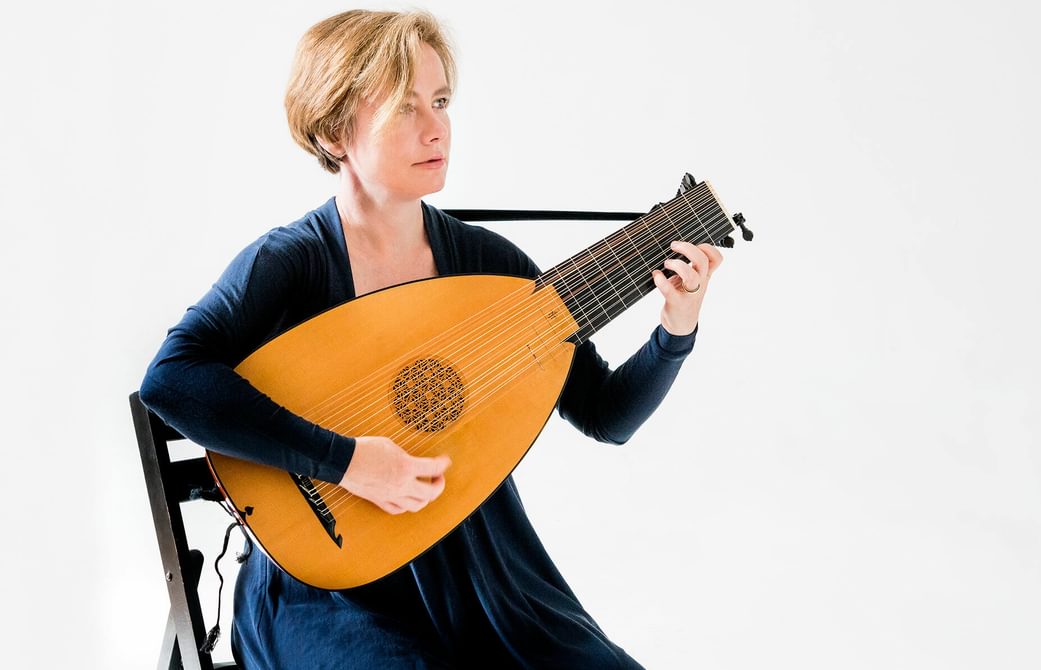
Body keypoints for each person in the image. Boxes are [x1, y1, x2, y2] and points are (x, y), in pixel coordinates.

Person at [140, 9, 722, 669]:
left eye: (441, 101)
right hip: (325, 592)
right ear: (335, 132)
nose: (435, 126)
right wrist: (350, 463)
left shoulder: (489, 264)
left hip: (483, 574)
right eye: (403, 107)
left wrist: (676, 327)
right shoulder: (291, 261)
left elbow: (605, 414)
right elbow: (172, 379)